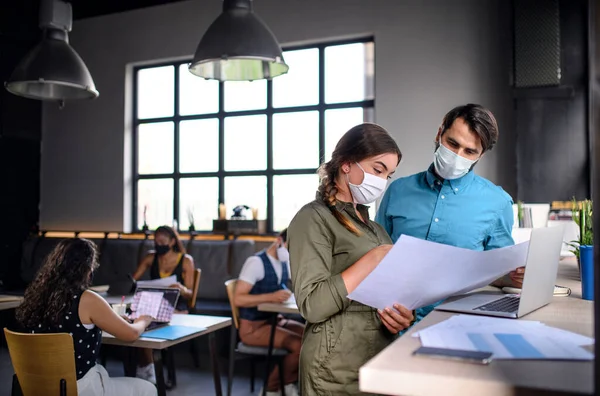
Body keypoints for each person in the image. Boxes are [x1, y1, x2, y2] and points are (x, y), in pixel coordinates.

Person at [288, 123, 415, 395]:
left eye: (388, 175)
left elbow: (388, 294)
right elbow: (312, 305)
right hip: (334, 369)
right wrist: (372, 260)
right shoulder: (312, 218)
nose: (382, 181)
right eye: (378, 170)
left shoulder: (376, 230)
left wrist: (403, 315)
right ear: (346, 164)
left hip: (377, 361)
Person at [376, 103, 524, 327]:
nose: (457, 155)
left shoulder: (497, 202)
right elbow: (376, 257)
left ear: (480, 155)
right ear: (439, 133)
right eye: (452, 143)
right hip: (391, 323)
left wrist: (516, 276)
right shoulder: (398, 191)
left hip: (459, 326)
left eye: (469, 151)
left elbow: (497, 272)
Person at [15, 238, 157, 396]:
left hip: (35, 386)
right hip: (79, 388)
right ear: (88, 269)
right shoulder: (87, 299)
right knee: (147, 388)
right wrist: (143, 321)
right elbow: (130, 334)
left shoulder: (36, 297)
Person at [234, 229, 304, 396]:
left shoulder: (282, 263)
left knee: (312, 338)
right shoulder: (256, 263)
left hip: (273, 321)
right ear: (279, 240)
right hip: (252, 328)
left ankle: (286, 383)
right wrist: (271, 296)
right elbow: (238, 299)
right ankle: (271, 388)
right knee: (300, 346)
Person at [132, 225, 195, 383]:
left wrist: (181, 288)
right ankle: (148, 365)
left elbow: (191, 293)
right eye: (156, 241)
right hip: (153, 303)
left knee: (149, 322)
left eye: (162, 241)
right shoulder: (150, 258)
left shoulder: (186, 260)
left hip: (177, 305)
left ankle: (148, 366)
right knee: (138, 320)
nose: (158, 244)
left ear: (172, 241)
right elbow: (133, 281)